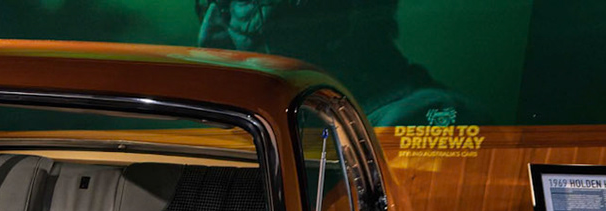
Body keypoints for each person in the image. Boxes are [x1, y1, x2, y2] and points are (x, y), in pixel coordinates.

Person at [193, 0, 483, 126]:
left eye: (239, 2)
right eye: (214, 5)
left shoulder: (424, 117)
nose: (209, 32)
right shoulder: (301, 115)